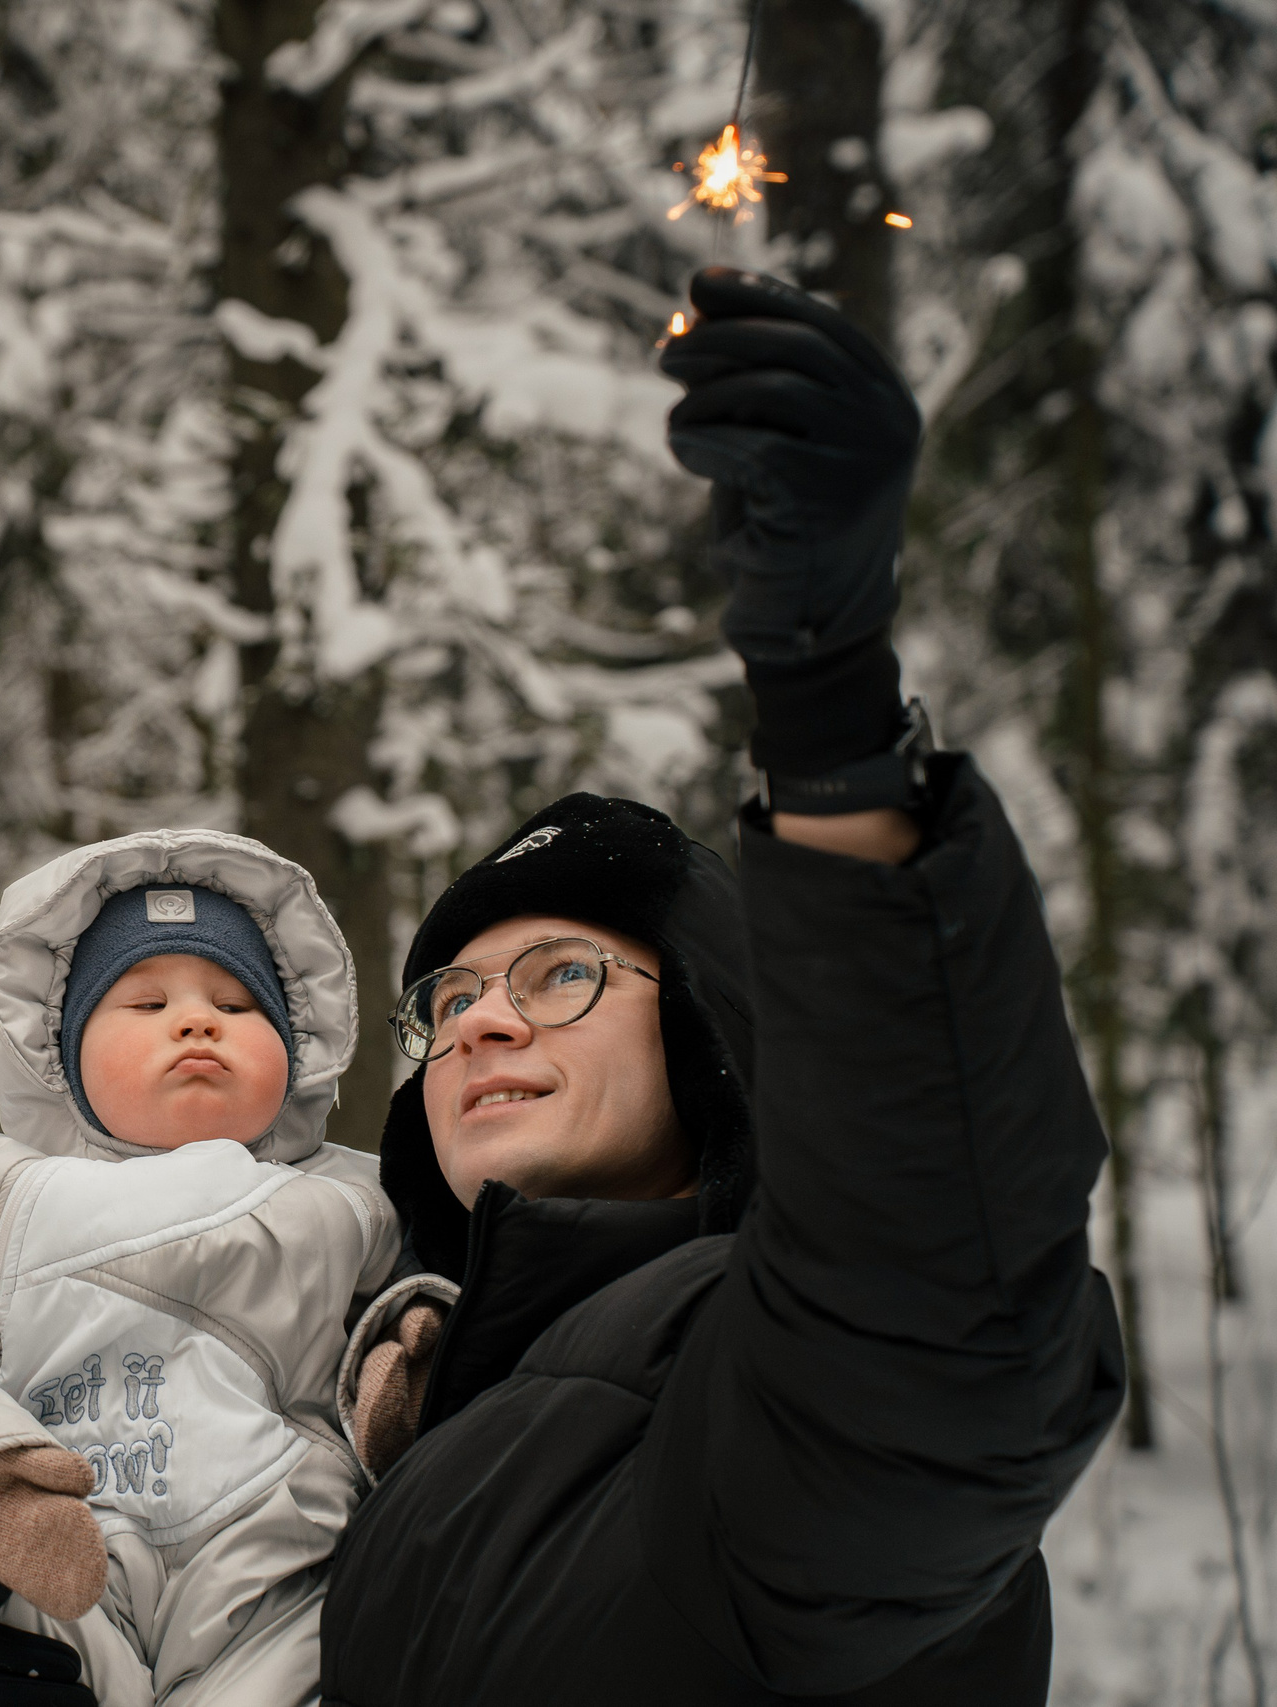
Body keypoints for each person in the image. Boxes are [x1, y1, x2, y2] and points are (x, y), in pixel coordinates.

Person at [318, 267, 1126, 1702]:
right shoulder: (394, 1412)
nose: (483, 1015)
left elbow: (936, 1265)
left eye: (562, 971)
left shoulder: (765, 1369)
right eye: (448, 998)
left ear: (711, 1030)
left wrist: (832, 717)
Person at [0, 831, 406, 1706]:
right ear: (60, 1052)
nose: (196, 1020)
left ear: (298, 1049)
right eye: (145, 1003)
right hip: (45, 1541)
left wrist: (399, 1370)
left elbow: (420, 1303)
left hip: (281, 1563)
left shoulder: (354, 1192)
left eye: (237, 1002)